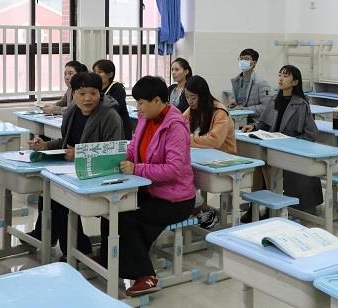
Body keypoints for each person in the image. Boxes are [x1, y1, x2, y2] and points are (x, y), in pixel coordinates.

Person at [27, 72, 123, 259]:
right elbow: (67, 143)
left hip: (100, 176)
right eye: (82, 93)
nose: (88, 98)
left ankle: (77, 250)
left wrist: (79, 154)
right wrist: (46, 146)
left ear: (100, 93)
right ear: (73, 94)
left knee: (61, 199)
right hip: (74, 172)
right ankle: (74, 248)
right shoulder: (72, 112)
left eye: (93, 93)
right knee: (51, 195)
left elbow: (113, 153)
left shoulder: (110, 116)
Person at [117, 76, 196, 297]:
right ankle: (109, 259)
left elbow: (173, 169)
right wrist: (116, 158)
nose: (138, 108)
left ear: (158, 100)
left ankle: (146, 275)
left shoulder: (175, 126)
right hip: (151, 190)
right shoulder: (146, 118)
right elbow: (133, 148)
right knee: (114, 209)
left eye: (141, 102)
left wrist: (136, 169)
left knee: (128, 218)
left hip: (175, 199)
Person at [242, 65, 321, 219]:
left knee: (267, 166)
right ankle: (255, 207)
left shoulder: (301, 104)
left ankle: (270, 207)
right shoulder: (274, 100)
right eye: (280, 75)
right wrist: (254, 126)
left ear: (295, 82)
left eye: (285, 76)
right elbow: (264, 123)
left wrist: (292, 142)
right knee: (260, 166)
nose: (280, 79)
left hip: (289, 150)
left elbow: (311, 133)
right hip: (273, 146)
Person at [183, 75, 236, 229]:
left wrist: (187, 139)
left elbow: (215, 140)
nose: (190, 101)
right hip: (203, 157)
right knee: (182, 174)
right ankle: (200, 209)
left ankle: (203, 210)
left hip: (224, 160)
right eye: (187, 97)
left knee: (184, 177)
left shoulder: (219, 111)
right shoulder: (192, 110)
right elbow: (179, 125)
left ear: (203, 95)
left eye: (193, 97)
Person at [92, 59, 133, 139]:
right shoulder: (95, 89)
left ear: (110, 74)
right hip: (104, 126)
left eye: (100, 72)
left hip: (119, 127)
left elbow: (115, 108)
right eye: (94, 72)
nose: (96, 75)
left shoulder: (117, 88)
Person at [229, 48, 271, 118]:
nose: (242, 61)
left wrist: (244, 109)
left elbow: (266, 106)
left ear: (254, 63)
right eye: (241, 59)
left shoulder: (261, 83)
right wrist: (232, 105)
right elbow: (234, 101)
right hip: (238, 119)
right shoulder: (236, 81)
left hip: (253, 120)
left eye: (246, 59)